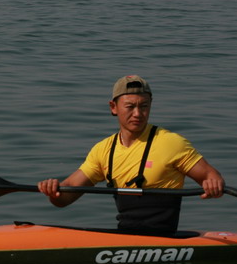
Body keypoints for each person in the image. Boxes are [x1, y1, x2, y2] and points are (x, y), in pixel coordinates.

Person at [37, 75, 225, 236]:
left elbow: (210, 175)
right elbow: (66, 194)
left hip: (163, 240)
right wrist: (53, 191)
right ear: (113, 107)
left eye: (144, 106)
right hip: (125, 238)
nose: (138, 114)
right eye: (130, 106)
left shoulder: (171, 143)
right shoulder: (104, 150)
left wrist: (213, 184)